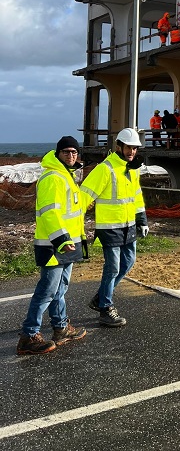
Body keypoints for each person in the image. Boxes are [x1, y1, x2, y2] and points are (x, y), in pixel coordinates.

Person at [17, 136, 87, 355]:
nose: (71, 155)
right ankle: (29, 336)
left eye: (74, 152)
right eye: (66, 152)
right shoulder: (53, 177)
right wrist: (62, 240)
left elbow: (72, 215)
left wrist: (79, 238)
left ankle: (61, 328)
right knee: (47, 290)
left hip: (67, 244)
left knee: (60, 289)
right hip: (54, 245)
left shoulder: (67, 176)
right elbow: (50, 212)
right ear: (57, 154)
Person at [80, 128, 148, 327]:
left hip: (128, 226)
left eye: (135, 149)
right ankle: (105, 308)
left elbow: (136, 197)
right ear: (119, 146)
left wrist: (142, 220)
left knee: (129, 262)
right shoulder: (105, 169)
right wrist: (74, 224)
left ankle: (100, 297)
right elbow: (84, 195)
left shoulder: (132, 169)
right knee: (113, 268)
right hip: (110, 228)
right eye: (128, 148)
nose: (132, 152)